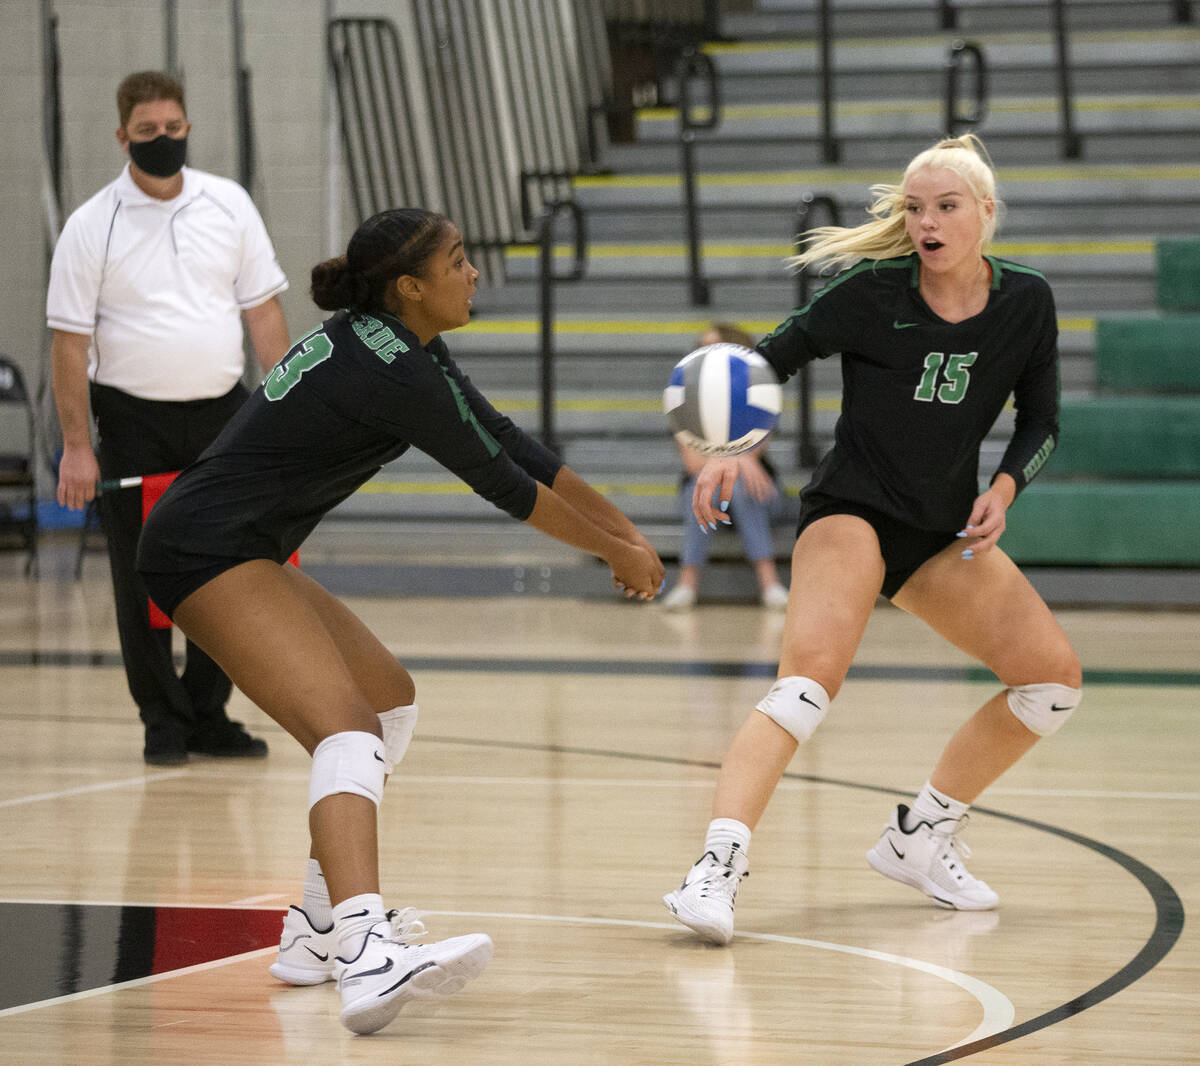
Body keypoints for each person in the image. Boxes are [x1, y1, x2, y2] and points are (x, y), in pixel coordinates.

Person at [135, 207, 665, 1034]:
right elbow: (504, 486)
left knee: (386, 703)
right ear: (410, 286)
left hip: (241, 545)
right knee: (348, 731)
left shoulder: (399, 341)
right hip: (204, 550)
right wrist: (611, 554)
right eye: (458, 260)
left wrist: (627, 535)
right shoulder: (391, 369)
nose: (473, 271)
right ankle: (363, 953)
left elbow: (513, 443)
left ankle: (312, 933)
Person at [662, 134, 1082, 945]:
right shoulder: (871, 292)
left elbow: (1043, 419)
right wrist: (727, 445)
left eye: (946, 207)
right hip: (852, 510)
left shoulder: (1026, 301)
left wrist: (1004, 489)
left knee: (1051, 683)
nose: (927, 221)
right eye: (915, 208)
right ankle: (715, 869)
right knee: (807, 684)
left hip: (941, 527)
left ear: (985, 215)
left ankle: (921, 836)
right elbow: (762, 361)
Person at [47, 70, 291, 766]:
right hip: (130, 422)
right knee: (143, 573)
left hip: (224, 416)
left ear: (189, 127)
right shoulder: (93, 225)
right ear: (123, 137)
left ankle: (210, 714)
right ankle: (163, 717)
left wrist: (281, 406)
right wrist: (75, 448)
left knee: (227, 570)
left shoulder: (229, 204)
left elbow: (264, 310)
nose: (163, 141)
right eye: (148, 132)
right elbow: (68, 342)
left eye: (174, 129)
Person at [661, 323, 789, 612]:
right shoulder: (683, 402)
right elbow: (694, 464)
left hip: (760, 493)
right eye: (701, 349)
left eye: (713, 349)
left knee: (742, 489)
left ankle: (769, 584)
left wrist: (738, 458)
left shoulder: (758, 395)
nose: (705, 355)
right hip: (705, 491)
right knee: (703, 487)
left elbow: (757, 448)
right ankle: (687, 585)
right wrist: (740, 457)